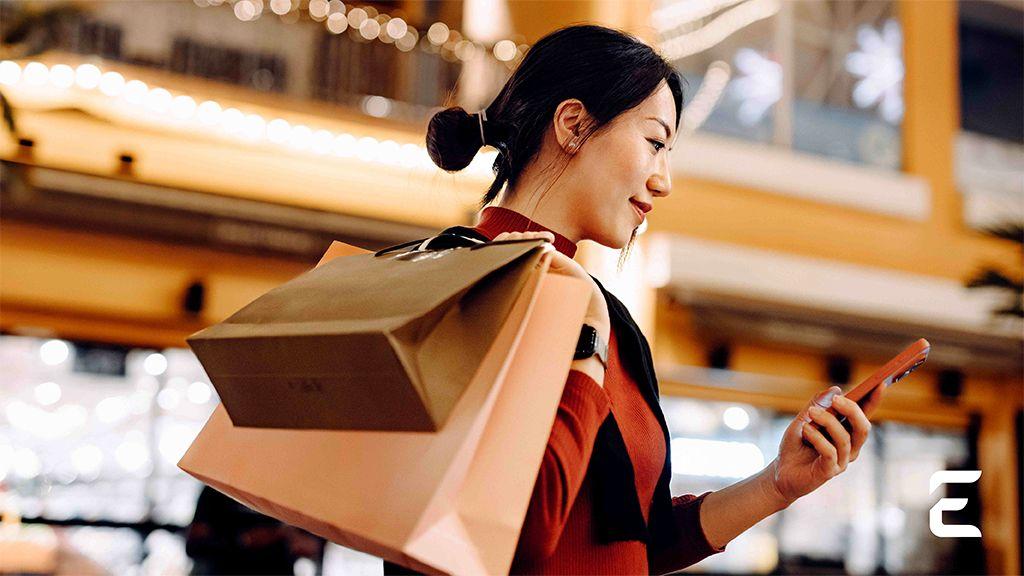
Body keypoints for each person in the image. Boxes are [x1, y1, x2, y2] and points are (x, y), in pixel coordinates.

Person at [385, 24, 886, 576]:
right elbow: (512, 533)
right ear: (573, 125)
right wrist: (584, 340)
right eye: (654, 142)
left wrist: (778, 483)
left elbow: (635, 538)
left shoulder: (604, 314)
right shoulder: (464, 287)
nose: (664, 180)